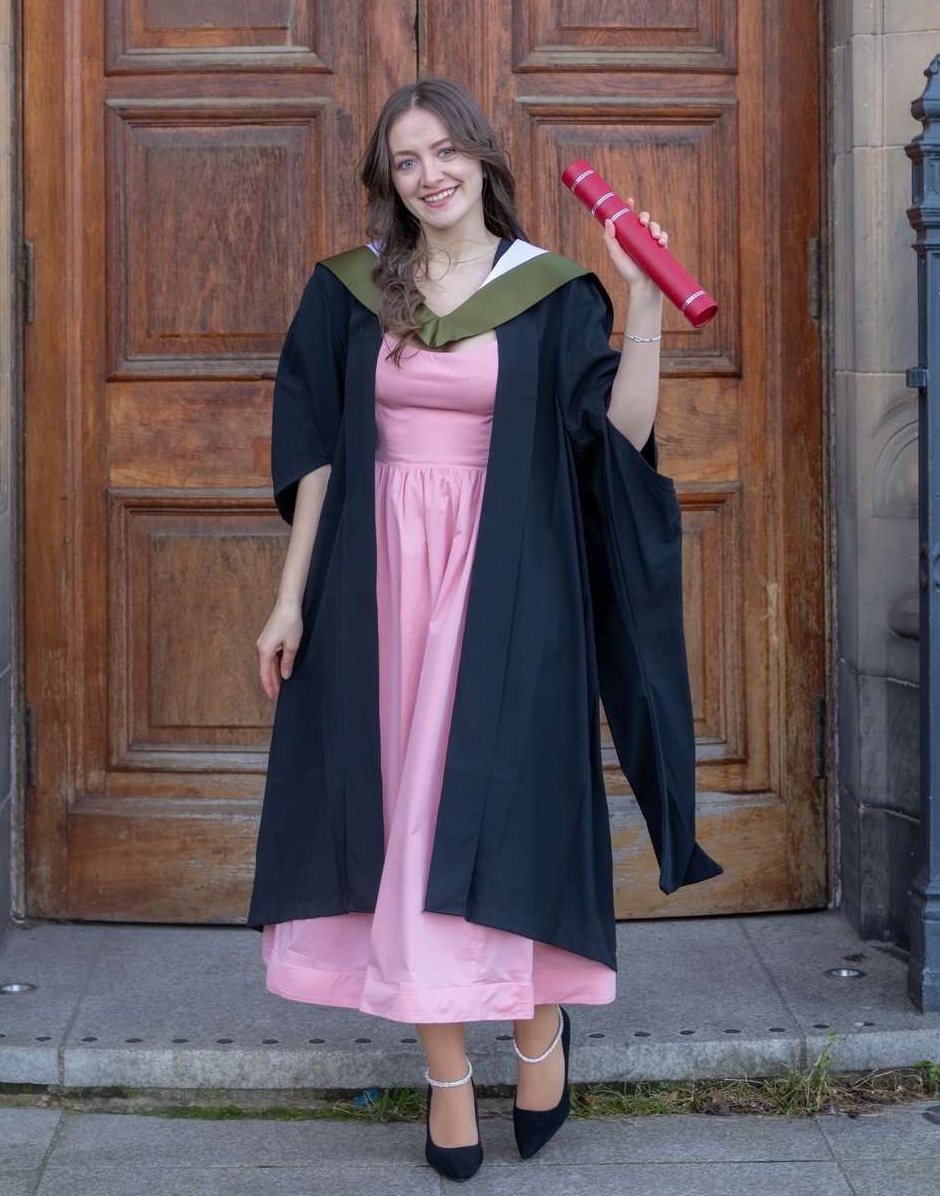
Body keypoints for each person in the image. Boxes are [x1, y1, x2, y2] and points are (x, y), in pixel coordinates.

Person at [249, 76, 722, 1180]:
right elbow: (314, 453)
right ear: (390, 180)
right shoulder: (348, 292)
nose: (431, 175)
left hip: (508, 589)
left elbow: (615, 442)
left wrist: (642, 314)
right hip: (378, 590)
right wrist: (287, 599)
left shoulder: (551, 296)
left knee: (495, 818)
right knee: (404, 827)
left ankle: (539, 1026)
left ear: (482, 160)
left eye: (447, 151)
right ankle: (449, 1076)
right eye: (408, 160)